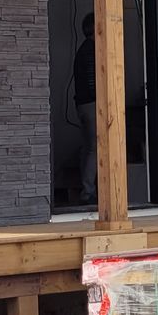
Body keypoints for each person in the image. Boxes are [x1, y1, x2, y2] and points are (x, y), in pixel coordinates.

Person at [73, 12, 98, 204]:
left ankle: (86, 188)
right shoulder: (91, 50)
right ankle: (88, 191)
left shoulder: (83, 49)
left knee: (87, 147)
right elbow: (92, 81)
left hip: (83, 104)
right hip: (91, 104)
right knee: (94, 148)